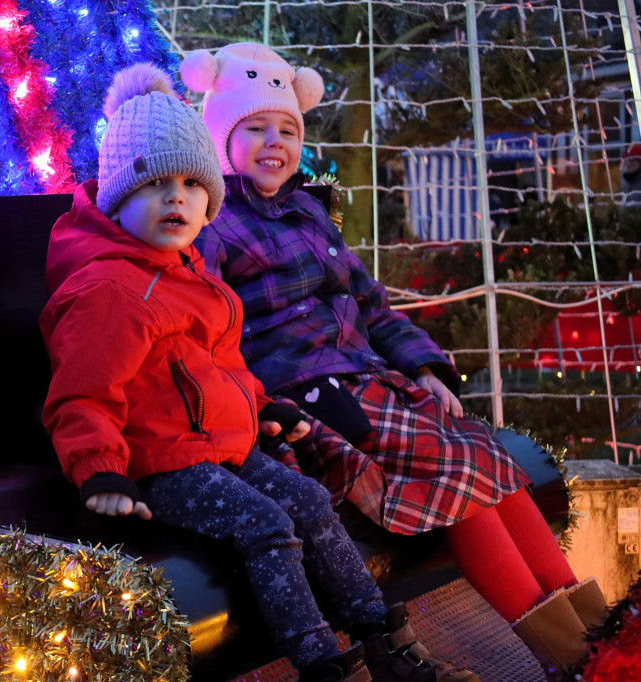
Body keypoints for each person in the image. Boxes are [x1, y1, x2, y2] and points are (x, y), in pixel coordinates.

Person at [179, 42, 607, 680]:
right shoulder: (211, 222)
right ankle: (570, 661)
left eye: (287, 130)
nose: (275, 142)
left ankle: (601, 641)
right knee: (457, 472)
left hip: (375, 383)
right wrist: (261, 408)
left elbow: (373, 307)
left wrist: (426, 369)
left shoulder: (310, 215)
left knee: (491, 460)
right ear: (223, 138)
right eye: (255, 128)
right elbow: (210, 332)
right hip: (310, 399)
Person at [40, 62, 470, 682]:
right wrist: (100, 470)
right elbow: (82, 393)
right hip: (160, 463)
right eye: (153, 185)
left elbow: (221, 365)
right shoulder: (110, 290)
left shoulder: (188, 272)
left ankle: (383, 635)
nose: (176, 198)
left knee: (310, 499)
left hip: (222, 445)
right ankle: (321, 660)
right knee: (268, 525)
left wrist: (263, 408)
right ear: (116, 196)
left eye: (192, 184)